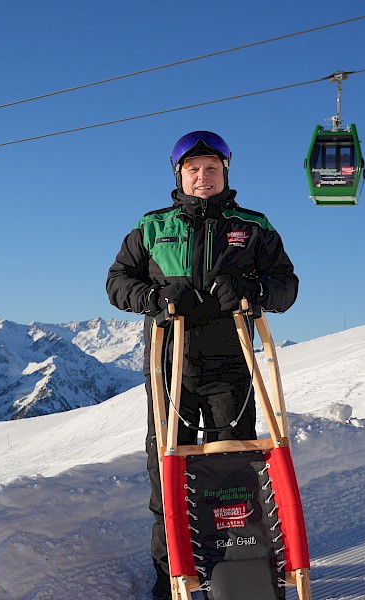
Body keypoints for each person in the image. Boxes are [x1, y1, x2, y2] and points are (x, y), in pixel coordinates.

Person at [105, 130, 298, 598]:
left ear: (225, 171)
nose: (202, 176)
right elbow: (116, 282)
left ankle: (238, 573)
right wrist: (153, 296)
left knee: (231, 471)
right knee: (166, 472)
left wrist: (253, 292)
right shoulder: (153, 227)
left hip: (231, 368)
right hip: (169, 366)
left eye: (211, 168)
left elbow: (286, 286)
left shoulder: (253, 226)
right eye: (193, 169)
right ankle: (171, 574)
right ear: (180, 175)